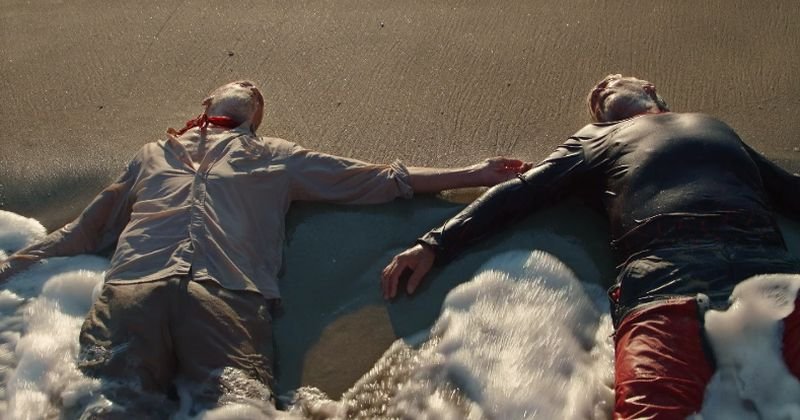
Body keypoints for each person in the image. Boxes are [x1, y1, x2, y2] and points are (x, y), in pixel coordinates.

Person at [0, 80, 530, 414]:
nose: (250, 88)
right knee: (103, 404)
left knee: (235, 407)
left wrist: (473, 173)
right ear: (206, 104)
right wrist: (13, 267)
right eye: (242, 86)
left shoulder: (276, 155)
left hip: (226, 296)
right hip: (133, 290)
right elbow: (87, 231)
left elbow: (375, 179)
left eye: (256, 97)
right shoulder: (151, 155)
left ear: (254, 119)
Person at [381, 74, 800, 418]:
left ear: (649, 88)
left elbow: (788, 191)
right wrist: (434, 243)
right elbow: (523, 191)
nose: (599, 91)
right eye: (597, 99)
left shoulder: (714, 126)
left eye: (610, 83)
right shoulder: (599, 137)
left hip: (771, 279)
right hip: (664, 285)